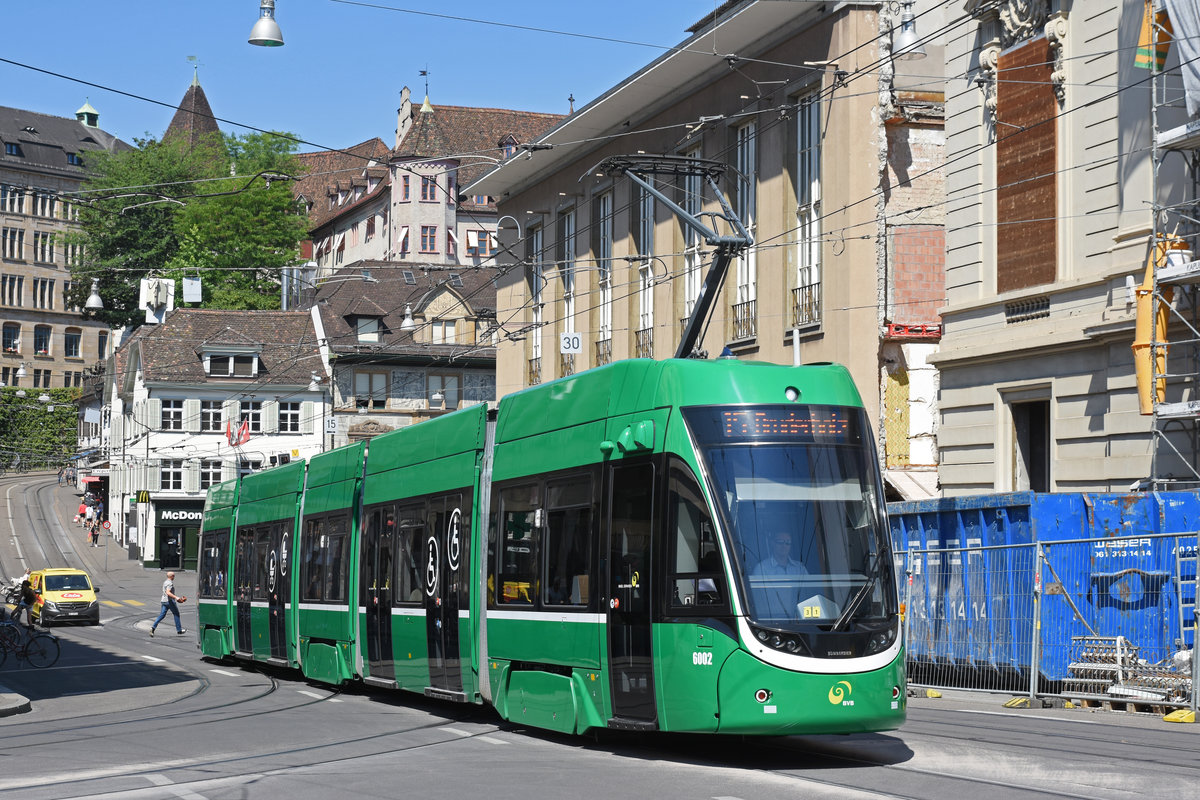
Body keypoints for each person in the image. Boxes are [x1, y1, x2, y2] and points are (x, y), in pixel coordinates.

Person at [750, 531, 809, 619]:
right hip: (771, 620)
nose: (784, 546)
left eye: (787, 543)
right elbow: (757, 599)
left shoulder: (799, 568)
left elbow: (808, 594)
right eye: (780, 542)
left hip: (798, 620)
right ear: (772, 543)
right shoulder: (761, 568)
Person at [150, 571, 187, 637]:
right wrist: (176, 597)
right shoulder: (170, 583)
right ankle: (179, 630)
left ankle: (153, 628)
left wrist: (179, 599)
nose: (174, 577)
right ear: (172, 576)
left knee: (162, 615)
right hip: (169, 601)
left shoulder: (165, 582)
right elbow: (168, 592)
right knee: (176, 614)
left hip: (163, 601)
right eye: (174, 576)